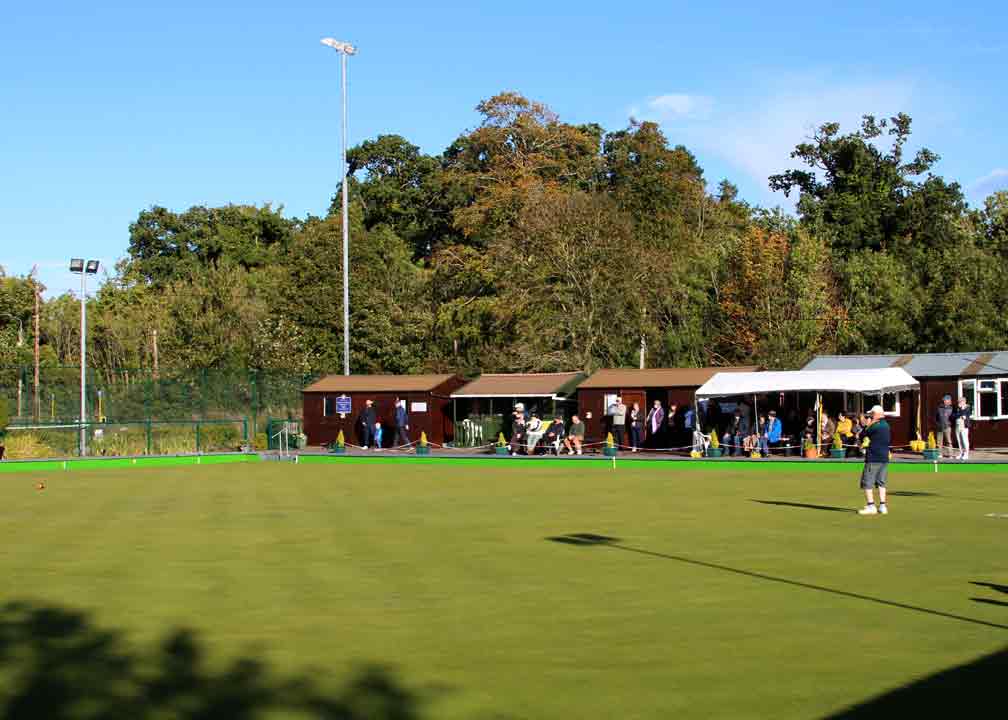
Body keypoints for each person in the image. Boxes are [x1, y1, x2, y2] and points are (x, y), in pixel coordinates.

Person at [858, 405, 891, 515]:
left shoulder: (875, 426)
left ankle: (871, 506)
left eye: (872, 414)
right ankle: (882, 506)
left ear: (876, 414)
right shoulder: (886, 425)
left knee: (867, 482)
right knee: (881, 482)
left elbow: (863, 435)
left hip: (873, 457)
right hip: (884, 458)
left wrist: (866, 425)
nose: (870, 416)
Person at [952, 396, 971, 461]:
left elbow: (964, 414)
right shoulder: (958, 408)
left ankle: (966, 454)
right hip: (958, 425)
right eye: (958, 402)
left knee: (964, 440)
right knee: (959, 440)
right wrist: (959, 413)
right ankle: (961, 453)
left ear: (964, 401)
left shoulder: (967, 407)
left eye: (960, 401)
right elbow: (953, 415)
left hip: (964, 426)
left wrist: (961, 410)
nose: (959, 403)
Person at [935, 395, 954, 459]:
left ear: (949, 400)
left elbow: (952, 418)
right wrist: (937, 424)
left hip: (947, 426)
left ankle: (950, 454)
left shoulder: (951, 408)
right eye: (944, 400)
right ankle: (939, 454)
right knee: (939, 441)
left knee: (949, 441)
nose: (944, 401)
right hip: (940, 426)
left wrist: (949, 424)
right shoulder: (939, 407)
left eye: (945, 400)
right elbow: (936, 417)